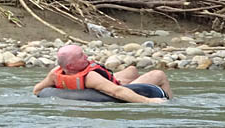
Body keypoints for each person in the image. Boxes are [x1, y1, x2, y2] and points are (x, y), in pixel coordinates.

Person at [32, 44, 170, 103]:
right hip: (113, 87)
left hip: (107, 82)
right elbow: (116, 92)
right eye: (81, 56)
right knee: (159, 75)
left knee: (132, 70)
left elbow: (37, 90)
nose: (86, 57)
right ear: (70, 65)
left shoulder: (55, 74)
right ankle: (171, 101)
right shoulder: (90, 77)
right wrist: (149, 101)